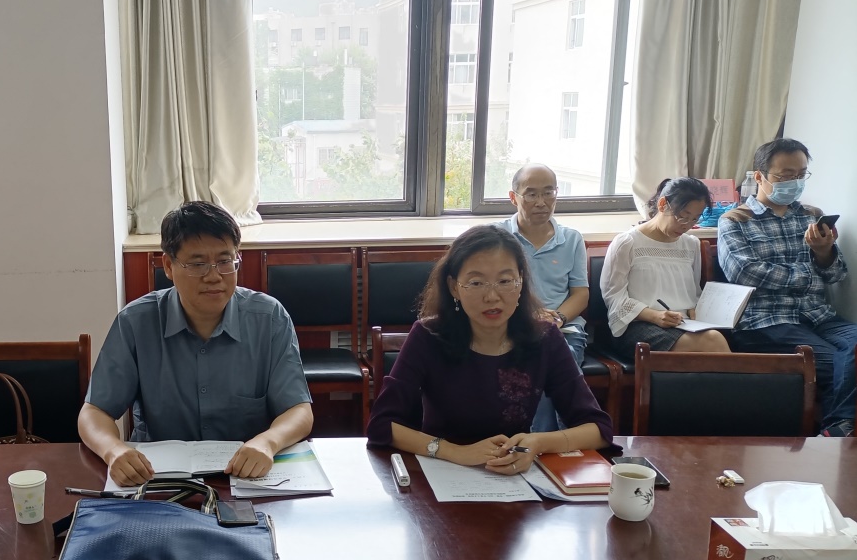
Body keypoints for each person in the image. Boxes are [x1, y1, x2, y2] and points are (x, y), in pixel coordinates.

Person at [79, 200, 313, 485]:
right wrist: (114, 450)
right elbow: (94, 412)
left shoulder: (269, 318)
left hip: (246, 478)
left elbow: (299, 410)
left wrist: (268, 442)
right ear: (168, 265)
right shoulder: (136, 322)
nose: (214, 276)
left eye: (225, 261)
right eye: (198, 264)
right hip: (159, 479)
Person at [366, 225, 612, 475]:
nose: (492, 296)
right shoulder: (428, 336)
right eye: (476, 282)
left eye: (505, 281)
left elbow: (598, 429)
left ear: (520, 282)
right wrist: (456, 452)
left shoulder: (544, 338)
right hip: (442, 472)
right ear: (454, 287)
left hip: (512, 477)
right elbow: (381, 424)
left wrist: (538, 443)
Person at [718, 138, 857, 436]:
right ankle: (839, 431)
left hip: (818, 315)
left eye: (801, 174)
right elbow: (745, 273)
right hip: (767, 321)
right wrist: (808, 274)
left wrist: (824, 252)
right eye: (785, 176)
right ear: (760, 177)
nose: (794, 182)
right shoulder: (735, 220)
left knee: (853, 352)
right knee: (835, 365)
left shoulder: (812, 216)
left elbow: (836, 275)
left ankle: (838, 429)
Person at [600, 177, 730, 362]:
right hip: (636, 326)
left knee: (713, 345)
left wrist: (695, 309)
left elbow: (693, 293)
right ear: (663, 204)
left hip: (684, 324)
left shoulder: (691, 244)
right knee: (712, 342)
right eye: (682, 216)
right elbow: (614, 298)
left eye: (694, 219)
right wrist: (655, 316)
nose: (686, 225)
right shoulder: (627, 242)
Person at [502, 162, 589, 431]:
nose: (541, 202)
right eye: (531, 194)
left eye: (548, 192)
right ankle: (553, 441)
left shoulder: (571, 239)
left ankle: (548, 441)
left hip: (564, 329)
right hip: (511, 325)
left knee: (558, 357)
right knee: (537, 359)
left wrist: (557, 318)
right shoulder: (497, 237)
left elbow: (580, 294)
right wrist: (529, 316)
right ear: (514, 197)